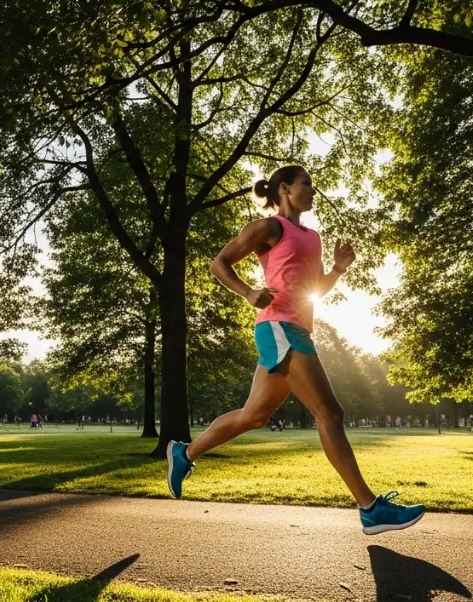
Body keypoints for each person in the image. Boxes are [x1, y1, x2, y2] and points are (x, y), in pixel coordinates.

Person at [164, 165, 425, 536]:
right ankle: (369, 508)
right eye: (307, 185)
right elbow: (218, 263)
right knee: (330, 413)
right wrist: (248, 292)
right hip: (278, 327)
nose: (313, 191)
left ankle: (183, 453)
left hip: (297, 329)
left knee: (253, 416)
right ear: (284, 189)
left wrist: (337, 269)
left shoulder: (313, 236)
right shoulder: (269, 228)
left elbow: (314, 287)